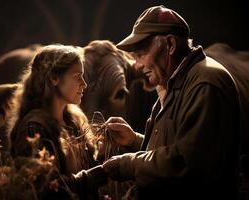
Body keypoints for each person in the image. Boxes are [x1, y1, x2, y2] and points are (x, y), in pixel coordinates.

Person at [100, 5, 240, 199]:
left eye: (141, 54)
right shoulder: (176, 82)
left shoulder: (204, 83)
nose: (138, 65)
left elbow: (185, 163)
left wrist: (129, 164)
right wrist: (135, 141)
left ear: (170, 45)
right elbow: (178, 145)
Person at [7, 44, 106, 199]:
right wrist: (92, 177)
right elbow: (45, 189)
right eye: (77, 76)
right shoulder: (33, 127)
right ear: (54, 78)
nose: (84, 84)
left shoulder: (74, 122)